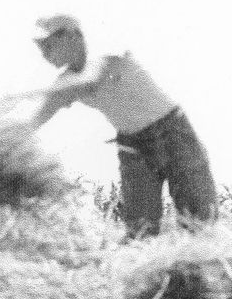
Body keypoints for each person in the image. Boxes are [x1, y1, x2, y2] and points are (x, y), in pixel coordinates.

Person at [27, 14, 217, 237]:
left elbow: (96, 74)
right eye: (41, 48)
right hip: (134, 147)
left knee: (200, 221)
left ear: (72, 36)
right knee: (140, 232)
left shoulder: (106, 50)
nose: (44, 54)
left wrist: (65, 90)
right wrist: (10, 137)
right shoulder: (65, 81)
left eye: (48, 45)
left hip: (173, 134)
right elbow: (40, 115)